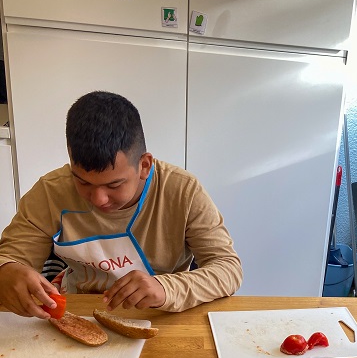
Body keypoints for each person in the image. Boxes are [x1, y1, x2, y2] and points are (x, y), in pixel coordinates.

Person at [0, 91, 242, 317]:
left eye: (114, 184)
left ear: (144, 165)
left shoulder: (183, 190)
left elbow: (228, 269)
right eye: (82, 182)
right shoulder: (50, 191)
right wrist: (7, 269)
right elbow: (10, 257)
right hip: (79, 307)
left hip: (161, 313)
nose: (99, 199)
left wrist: (165, 287)